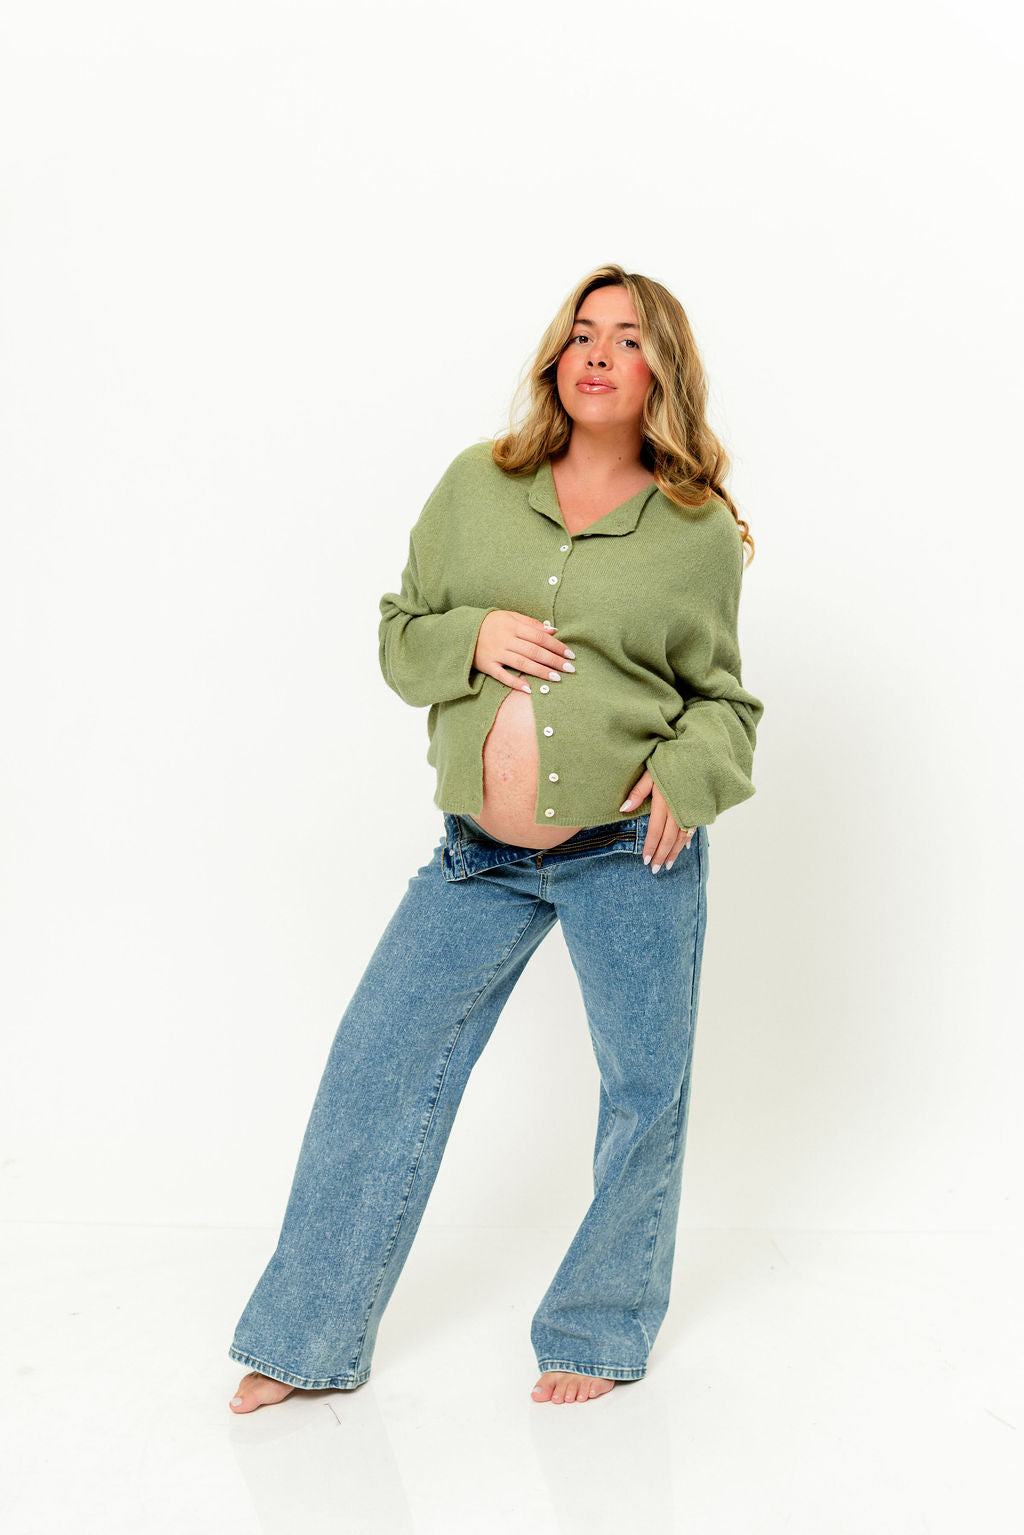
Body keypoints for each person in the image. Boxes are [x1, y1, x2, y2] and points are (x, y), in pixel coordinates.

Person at [227, 263, 764, 1412]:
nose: (598, 352)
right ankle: (307, 1336)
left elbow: (721, 697)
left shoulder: (697, 530)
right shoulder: (478, 483)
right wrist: (470, 635)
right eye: (582, 331)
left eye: (628, 337)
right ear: (556, 356)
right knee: (376, 1066)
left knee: (643, 1090)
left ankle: (599, 1326)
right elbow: (398, 635)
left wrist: (688, 770)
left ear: (664, 370)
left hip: (629, 849)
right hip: (480, 854)